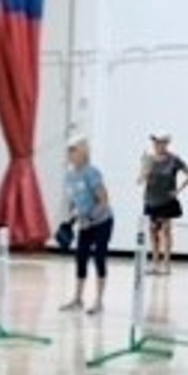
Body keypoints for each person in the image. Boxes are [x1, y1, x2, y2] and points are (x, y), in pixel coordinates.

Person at [58, 135, 114, 315]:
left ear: (83, 151)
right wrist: (70, 220)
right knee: (80, 258)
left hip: (102, 221)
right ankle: (77, 299)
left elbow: (104, 200)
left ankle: (99, 302)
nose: (71, 154)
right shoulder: (69, 176)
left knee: (99, 258)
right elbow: (75, 201)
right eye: (69, 150)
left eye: (74, 150)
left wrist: (90, 218)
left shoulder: (92, 172)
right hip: (84, 224)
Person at [137, 132, 188, 275]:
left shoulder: (173, 159)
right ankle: (155, 263)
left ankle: (167, 264)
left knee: (166, 231)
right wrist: (145, 167)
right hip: (151, 200)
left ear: (166, 143)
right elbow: (140, 180)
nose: (158, 145)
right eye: (156, 142)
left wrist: (178, 190)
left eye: (161, 142)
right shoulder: (149, 159)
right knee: (153, 232)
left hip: (167, 201)